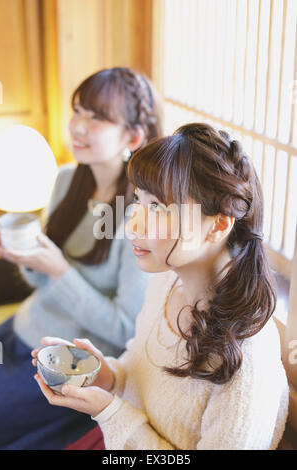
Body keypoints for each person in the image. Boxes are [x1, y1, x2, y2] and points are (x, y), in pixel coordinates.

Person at [33, 122, 289, 450]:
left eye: (157, 207)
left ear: (218, 225)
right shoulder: (166, 279)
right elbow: (141, 371)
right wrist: (107, 376)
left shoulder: (247, 362)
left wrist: (109, 412)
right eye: (139, 200)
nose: (132, 223)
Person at [0, 67, 163, 450]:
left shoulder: (138, 214)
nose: (78, 127)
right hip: (22, 327)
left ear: (133, 136)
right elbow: (41, 282)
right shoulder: (68, 179)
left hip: (64, 364)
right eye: (78, 112)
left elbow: (125, 329)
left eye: (98, 118)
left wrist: (59, 269)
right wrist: (29, 257)